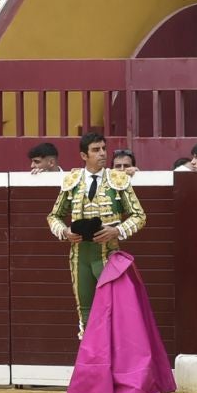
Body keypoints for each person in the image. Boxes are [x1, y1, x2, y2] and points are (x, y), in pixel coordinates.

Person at [44, 130, 144, 337]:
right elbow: (53, 216)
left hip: (108, 255)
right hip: (79, 256)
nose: (102, 154)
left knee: (115, 312)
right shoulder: (72, 180)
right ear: (84, 156)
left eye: (103, 149)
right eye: (96, 150)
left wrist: (117, 230)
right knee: (85, 314)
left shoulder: (117, 179)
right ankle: (92, 365)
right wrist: (65, 231)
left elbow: (139, 216)